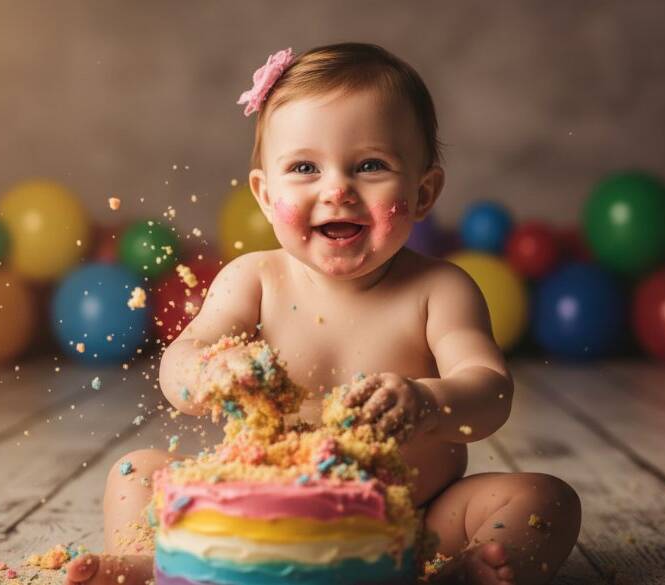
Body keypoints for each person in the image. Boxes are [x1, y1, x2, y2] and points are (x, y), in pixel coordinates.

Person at [67, 41, 581, 585]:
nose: (337, 189)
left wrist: (428, 401)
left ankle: (461, 573)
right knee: (136, 471)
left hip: (410, 520)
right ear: (265, 196)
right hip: (255, 519)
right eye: (305, 167)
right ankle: (152, 559)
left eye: (370, 166)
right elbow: (181, 360)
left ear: (423, 191)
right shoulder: (253, 280)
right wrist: (208, 371)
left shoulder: (440, 289)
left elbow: (490, 392)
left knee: (543, 498)